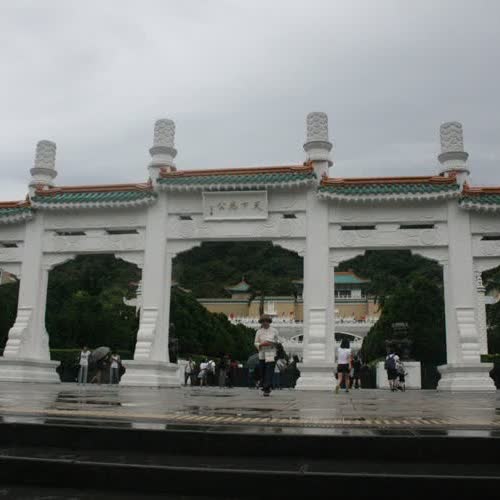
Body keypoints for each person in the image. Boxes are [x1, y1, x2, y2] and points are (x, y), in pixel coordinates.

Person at [254, 314, 279, 396]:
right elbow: (255, 342)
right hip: (262, 354)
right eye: (263, 321)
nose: (265, 323)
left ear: (269, 322)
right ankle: (266, 386)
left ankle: (266, 388)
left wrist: (272, 343)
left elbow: (277, 342)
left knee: (269, 371)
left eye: (266, 321)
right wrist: (261, 344)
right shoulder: (259, 332)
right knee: (263, 371)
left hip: (271, 354)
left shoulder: (274, 331)